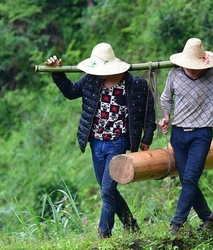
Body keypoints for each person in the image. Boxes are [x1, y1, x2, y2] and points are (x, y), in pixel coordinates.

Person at [45, 43, 157, 238]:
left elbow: (149, 112)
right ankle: (132, 226)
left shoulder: (135, 84)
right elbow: (71, 92)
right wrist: (57, 73)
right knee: (108, 190)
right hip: (96, 142)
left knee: (107, 190)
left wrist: (147, 137)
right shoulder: (91, 80)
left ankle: (104, 234)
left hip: (118, 142)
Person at [158, 38, 213, 235]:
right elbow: (166, 98)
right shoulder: (175, 74)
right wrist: (166, 116)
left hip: (201, 134)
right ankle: (207, 218)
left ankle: (176, 224)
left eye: (196, 66)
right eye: (189, 66)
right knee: (187, 179)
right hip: (178, 133)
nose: (192, 70)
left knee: (190, 179)